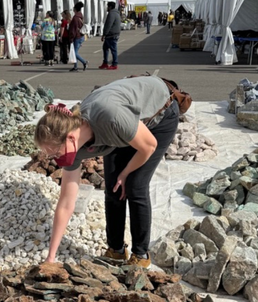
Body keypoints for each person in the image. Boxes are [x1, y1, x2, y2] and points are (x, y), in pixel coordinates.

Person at [34, 76, 179, 268]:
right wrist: (50, 258)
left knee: (135, 186)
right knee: (113, 188)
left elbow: (148, 146)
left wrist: (125, 172)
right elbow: (66, 202)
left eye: (55, 152)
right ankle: (116, 251)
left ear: (70, 138)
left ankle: (140, 254)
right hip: (123, 128)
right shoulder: (74, 147)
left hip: (159, 115)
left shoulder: (110, 117)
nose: (54, 158)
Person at [99, 1, 121, 70]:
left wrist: (104, 34)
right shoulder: (117, 13)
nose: (107, 8)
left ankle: (114, 64)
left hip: (111, 35)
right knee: (105, 48)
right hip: (114, 34)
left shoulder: (111, 14)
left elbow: (108, 25)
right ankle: (105, 62)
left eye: (107, 6)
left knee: (113, 50)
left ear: (110, 7)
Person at [68, 2, 88, 72]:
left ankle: (84, 62)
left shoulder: (75, 18)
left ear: (75, 9)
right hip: (81, 36)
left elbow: (73, 29)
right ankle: (75, 66)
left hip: (77, 36)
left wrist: (71, 38)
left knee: (75, 53)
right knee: (74, 52)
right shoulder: (80, 16)